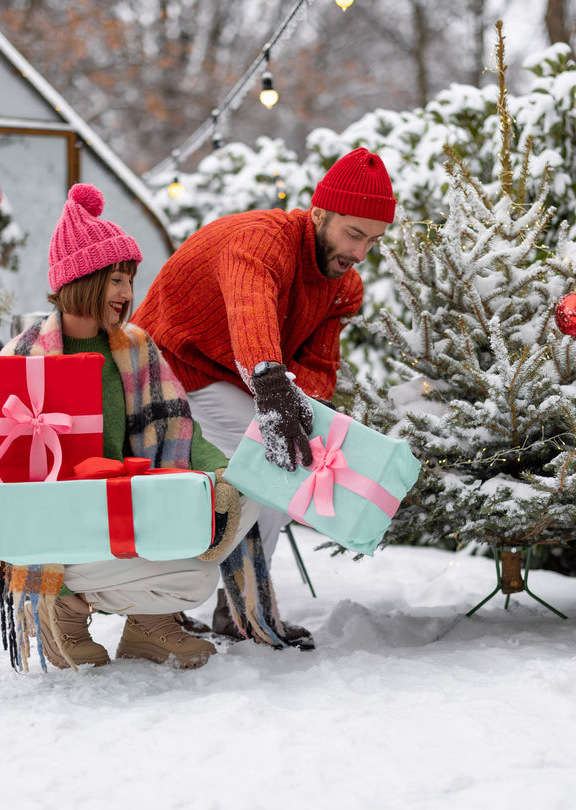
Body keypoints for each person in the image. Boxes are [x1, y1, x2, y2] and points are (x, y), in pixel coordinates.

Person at [0, 182, 259, 671]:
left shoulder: (135, 347)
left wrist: (223, 479)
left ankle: (148, 625)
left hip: (125, 514)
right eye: (115, 280)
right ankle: (59, 607)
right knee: (85, 556)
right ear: (83, 278)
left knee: (210, 557)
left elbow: (180, 429)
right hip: (60, 530)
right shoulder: (23, 357)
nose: (128, 293)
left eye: (130, 280)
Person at [133, 147, 396, 649]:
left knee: (285, 463)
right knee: (268, 462)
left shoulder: (342, 285)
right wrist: (274, 388)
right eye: (354, 234)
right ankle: (240, 606)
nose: (360, 252)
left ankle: (238, 607)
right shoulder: (261, 240)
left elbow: (319, 367)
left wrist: (301, 405)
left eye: (373, 240)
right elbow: (250, 307)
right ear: (319, 214)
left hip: (230, 376)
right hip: (166, 366)